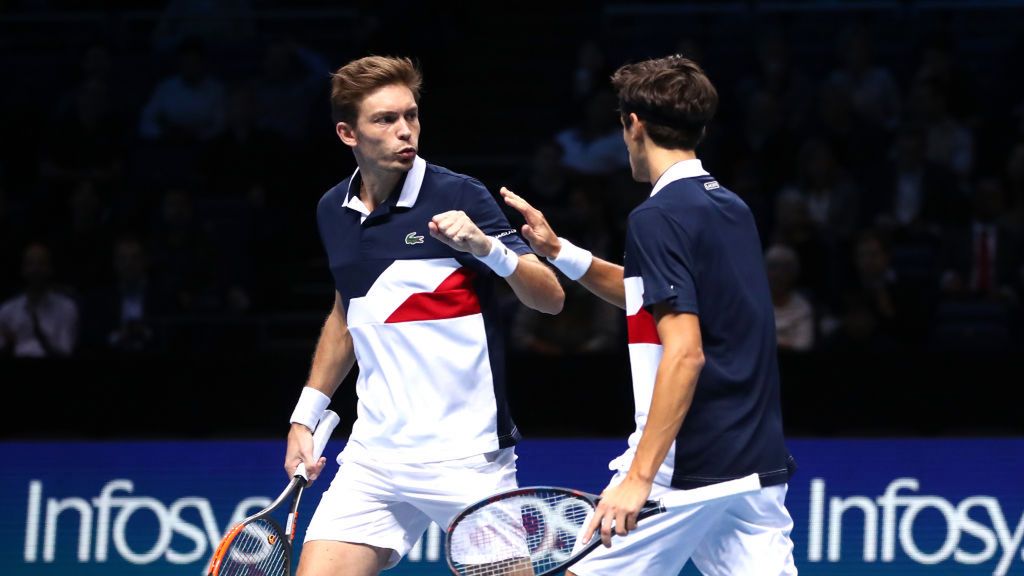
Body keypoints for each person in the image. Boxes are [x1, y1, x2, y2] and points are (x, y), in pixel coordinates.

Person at [502, 55, 798, 575]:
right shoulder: (728, 207)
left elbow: (685, 354)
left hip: (688, 465)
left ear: (633, 125)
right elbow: (649, 295)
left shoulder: (656, 218)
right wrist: (559, 252)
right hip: (754, 463)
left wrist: (640, 476)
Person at [283, 55, 564, 576]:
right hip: (374, 455)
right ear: (348, 133)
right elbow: (348, 313)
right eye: (384, 120)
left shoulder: (458, 194)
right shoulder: (332, 210)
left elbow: (549, 298)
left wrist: (488, 248)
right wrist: (306, 415)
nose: (404, 131)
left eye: (411, 115)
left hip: (466, 456)